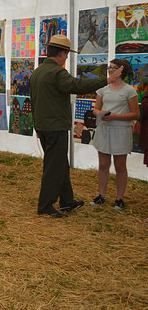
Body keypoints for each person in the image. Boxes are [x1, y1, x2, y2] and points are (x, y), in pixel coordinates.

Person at [30, 34, 121, 218]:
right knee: (54, 167)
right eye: (67, 54)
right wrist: (107, 80)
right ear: (63, 54)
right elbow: (77, 86)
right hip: (55, 126)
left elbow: (35, 100)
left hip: (44, 125)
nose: (66, 58)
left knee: (60, 164)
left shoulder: (38, 71)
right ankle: (45, 206)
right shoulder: (57, 72)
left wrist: (37, 126)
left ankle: (66, 201)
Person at [90, 59, 139, 211]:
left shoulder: (129, 90)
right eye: (109, 67)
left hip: (120, 131)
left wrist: (115, 116)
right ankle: (101, 195)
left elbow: (135, 114)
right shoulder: (103, 89)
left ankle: (119, 199)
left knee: (120, 166)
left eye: (114, 67)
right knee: (103, 165)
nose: (110, 69)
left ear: (121, 71)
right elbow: (96, 109)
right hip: (104, 130)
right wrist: (102, 114)